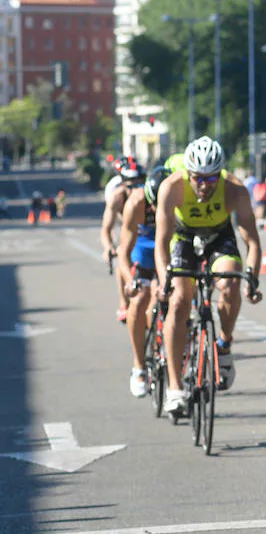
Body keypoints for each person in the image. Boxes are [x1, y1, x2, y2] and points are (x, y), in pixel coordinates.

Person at [154, 136, 264, 417]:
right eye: (198, 179)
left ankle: (224, 345)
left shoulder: (235, 190)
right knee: (180, 299)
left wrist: (252, 278)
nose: (205, 185)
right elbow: (161, 242)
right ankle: (175, 389)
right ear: (188, 174)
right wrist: (164, 281)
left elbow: (252, 241)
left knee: (229, 282)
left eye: (212, 178)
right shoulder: (171, 188)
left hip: (219, 235)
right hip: (183, 237)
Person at [117, 165, 170, 397]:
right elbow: (123, 252)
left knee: (178, 294)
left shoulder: (177, 201)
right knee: (139, 299)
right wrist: (130, 280)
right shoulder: (135, 203)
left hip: (168, 247)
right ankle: (139, 364)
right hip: (143, 248)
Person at [100, 157, 145, 322]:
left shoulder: (148, 194)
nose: (135, 189)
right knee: (121, 256)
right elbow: (106, 228)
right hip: (129, 232)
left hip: (147, 233)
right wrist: (108, 247)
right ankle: (123, 303)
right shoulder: (116, 197)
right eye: (130, 185)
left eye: (139, 183)